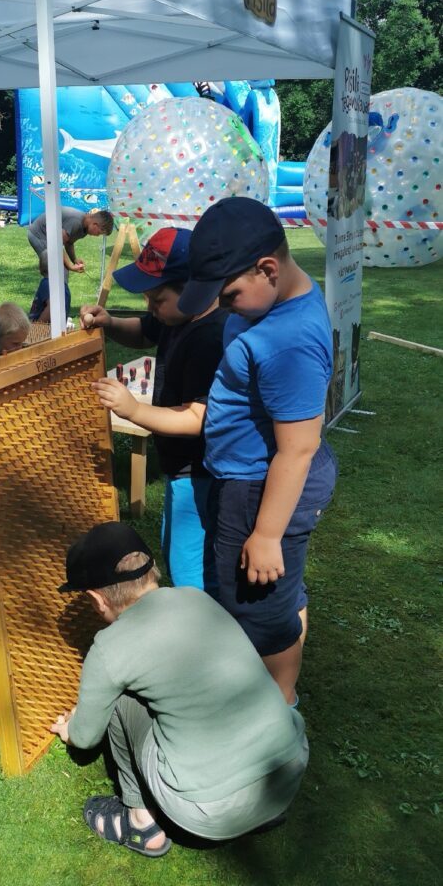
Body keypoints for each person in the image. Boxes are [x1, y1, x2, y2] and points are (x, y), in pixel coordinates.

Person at [50, 522, 309, 856]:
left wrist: (70, 728)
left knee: (119, 702)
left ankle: (141, 825)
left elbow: (85, 738)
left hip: (210, 810)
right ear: (150, 570)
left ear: (97, 599)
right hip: (286, 776)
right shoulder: (197, 598)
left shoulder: (109, 648)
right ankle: (260, 815)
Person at [172, 196, 337, 705]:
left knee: (256, 601)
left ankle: (276, 707)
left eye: (229, 295)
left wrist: (266, 534)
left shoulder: (289, 339)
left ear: (268, 269)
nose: (222, 306)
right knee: (278, 594)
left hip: (260, 486)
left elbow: (298, 449)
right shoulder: (271, 303)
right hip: (249, 477)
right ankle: (277, 680)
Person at [82, 227, 226, 590]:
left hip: (200, 473)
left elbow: (198, 417)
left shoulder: (210, 337)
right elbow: (144, 331)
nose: (150, 308)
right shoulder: (175, 317)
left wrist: (133, 411)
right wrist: (110, 322)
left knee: (190, 567)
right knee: (177, 549)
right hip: (181, 471)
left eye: (156, 299)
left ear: (193, 288)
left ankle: (201, 628)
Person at [26, 207, 114, 278]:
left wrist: (74, 260)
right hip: (39, 235)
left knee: (60, 271)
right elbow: (57, 244)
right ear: (95, 224)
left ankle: (49, 298)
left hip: (50, 238)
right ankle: (47, 299)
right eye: (99, 233)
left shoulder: (84, 228)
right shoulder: (76, 222)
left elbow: (69, 242)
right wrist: (70, 266)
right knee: (57, 271)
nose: (97, 235)